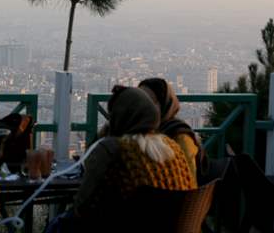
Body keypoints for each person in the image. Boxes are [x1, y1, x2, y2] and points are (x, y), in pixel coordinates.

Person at [47, 86, 196, 232]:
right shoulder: (173, 146)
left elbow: (82, 207)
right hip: (175, 227)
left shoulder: (114, 149)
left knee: (58, 224)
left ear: (118, 116)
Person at [138, 77, 200, 184]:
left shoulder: (180, 136)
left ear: (164, 105)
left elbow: (190, 180)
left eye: (149, 102)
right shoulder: (137, 132)